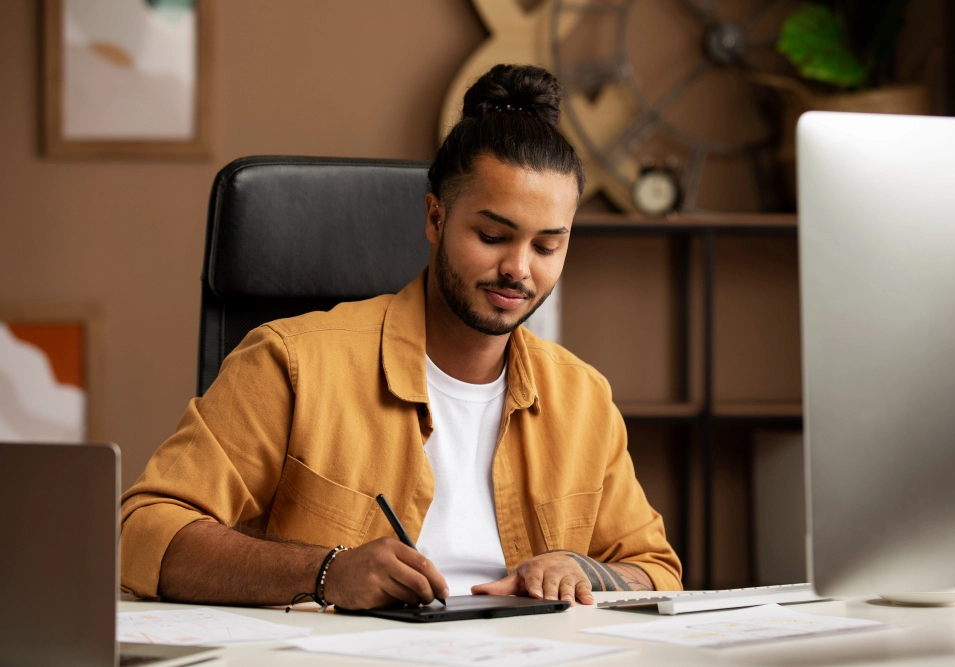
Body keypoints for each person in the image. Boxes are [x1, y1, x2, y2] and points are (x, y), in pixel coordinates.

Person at [120, 64, 682, 611]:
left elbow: (656, 571)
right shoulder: (292, 363)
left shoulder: (583, 399)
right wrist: (327, 573)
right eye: (492, 235)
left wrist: (584, 570)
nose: (519, 269)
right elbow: (143, 533)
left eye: (546, 247)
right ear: (435, 219)